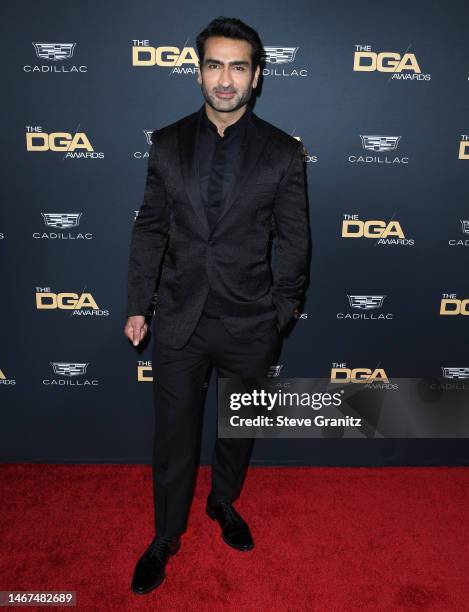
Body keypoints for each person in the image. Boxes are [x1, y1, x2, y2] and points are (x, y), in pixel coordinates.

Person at [124, 16, 310, 595]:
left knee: (238, 428)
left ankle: (224, 502)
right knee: (173, 437)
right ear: (198, 70)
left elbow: (296, 239)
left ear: (256, 77)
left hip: (251, 320)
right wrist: (139, 304)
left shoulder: (283, 151)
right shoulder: (166, 142)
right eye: (213, 64)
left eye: (237, 66)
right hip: (180, 316)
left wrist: (280, 312)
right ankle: (165, 535)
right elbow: (151, 228)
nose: (224, 79)